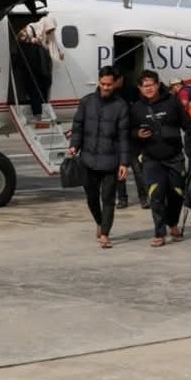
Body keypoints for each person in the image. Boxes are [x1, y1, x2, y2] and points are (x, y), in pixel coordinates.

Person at [131, 70, 191, 247]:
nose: (148, 89)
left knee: (177, 194)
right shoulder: (136, 107)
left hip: (174, 157)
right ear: (139, 88)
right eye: (144, 86)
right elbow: (128, 131)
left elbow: (188, 124)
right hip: (151, 159)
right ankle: (159, 232)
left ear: (157, 85)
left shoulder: (172, 102)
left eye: (151, 85)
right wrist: (137, 133)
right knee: (155, 195)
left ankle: (173, 224)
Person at [68, 66, 131, 249]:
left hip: (111, 162)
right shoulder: (86, 102)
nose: (105, 87)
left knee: (108, 199)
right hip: (88, 159)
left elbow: (124, 137)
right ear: (99, 82)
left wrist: (124, 163)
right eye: (103, 84)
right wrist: (74, 145)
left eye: (109, 84)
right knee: (91, 197)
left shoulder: (121, 106)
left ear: (115, 83)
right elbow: (78, 127)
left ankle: (105, 234)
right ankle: (99, 221)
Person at [113, 71, 149, 209]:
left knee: (138, 171)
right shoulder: (110, 94)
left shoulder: (133, 92)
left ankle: (144, 198)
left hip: (133, 139)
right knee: (120, 171)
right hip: (118, 139)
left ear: (121, 78)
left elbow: (140, 116)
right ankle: (122, 198)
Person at [13, 23, 52, 120]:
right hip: (35, 71)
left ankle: (38, 113)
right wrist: (32, 40)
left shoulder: (35, 42)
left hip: (36, 71)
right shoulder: (29, 36)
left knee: (35, 92)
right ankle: (38, 112)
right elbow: (19, 37)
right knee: (36, 91)